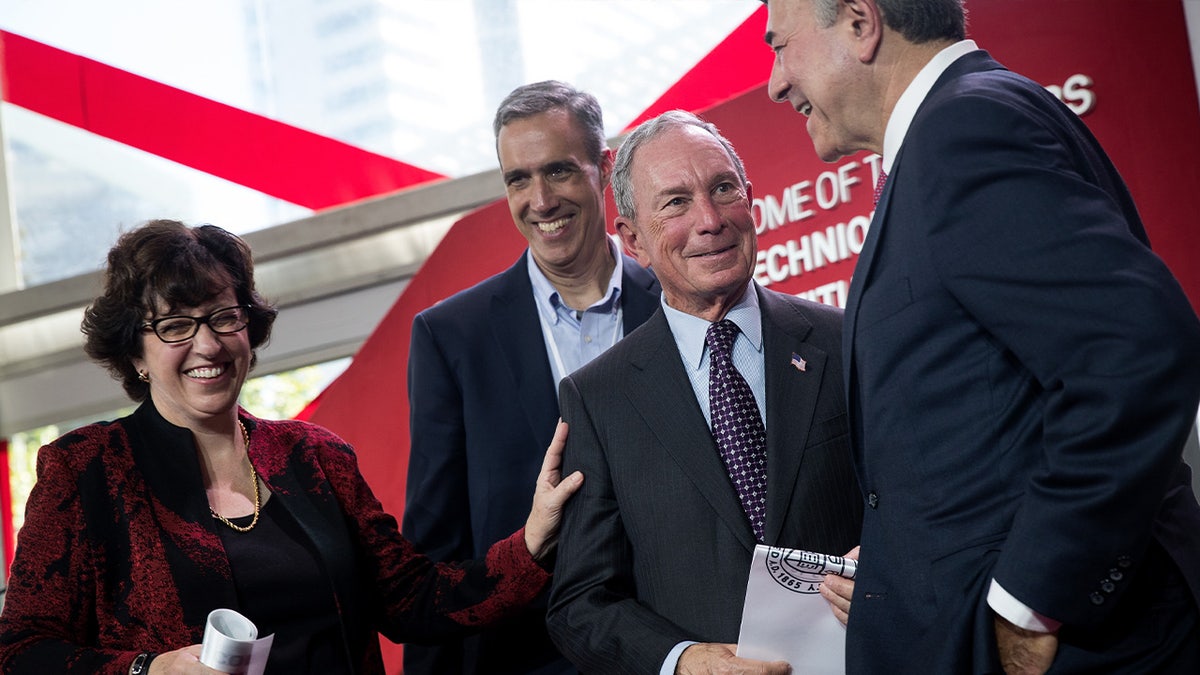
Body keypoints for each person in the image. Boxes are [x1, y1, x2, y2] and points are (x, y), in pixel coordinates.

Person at [763, 0, 1200, 672]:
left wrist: (1028, 601)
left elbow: (1134, 356)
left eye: (780, 46)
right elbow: (988, 414)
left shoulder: (964, 128)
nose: (775, 82)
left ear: (860, 23)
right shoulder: (962, 124)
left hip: (1090, 648)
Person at [0, 219, 583, 675]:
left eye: (223, 317)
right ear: (134, 352)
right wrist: (148, 667)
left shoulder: (314, 456)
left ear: (249, 329)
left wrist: (531, 540)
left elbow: (415, 601)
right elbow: (20, 653)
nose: (207, 344)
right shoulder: (85, 470)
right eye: (175, 325)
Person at [545, 110, 862, 674]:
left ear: (750, 201)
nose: (711, 219)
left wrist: (888, 563)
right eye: (675, 203)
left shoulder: (846, 341)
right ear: (633, 239)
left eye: (723, 189)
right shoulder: (598, 399)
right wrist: (683, 662)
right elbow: (580, 605)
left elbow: (921, 500)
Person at [401, 80, 661, 674]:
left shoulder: (675, 305)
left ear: (604, 166)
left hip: (679, 649)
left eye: (559, 172)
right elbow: (436, 561)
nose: (539, 200)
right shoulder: (451, 338)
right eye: (518, 179)